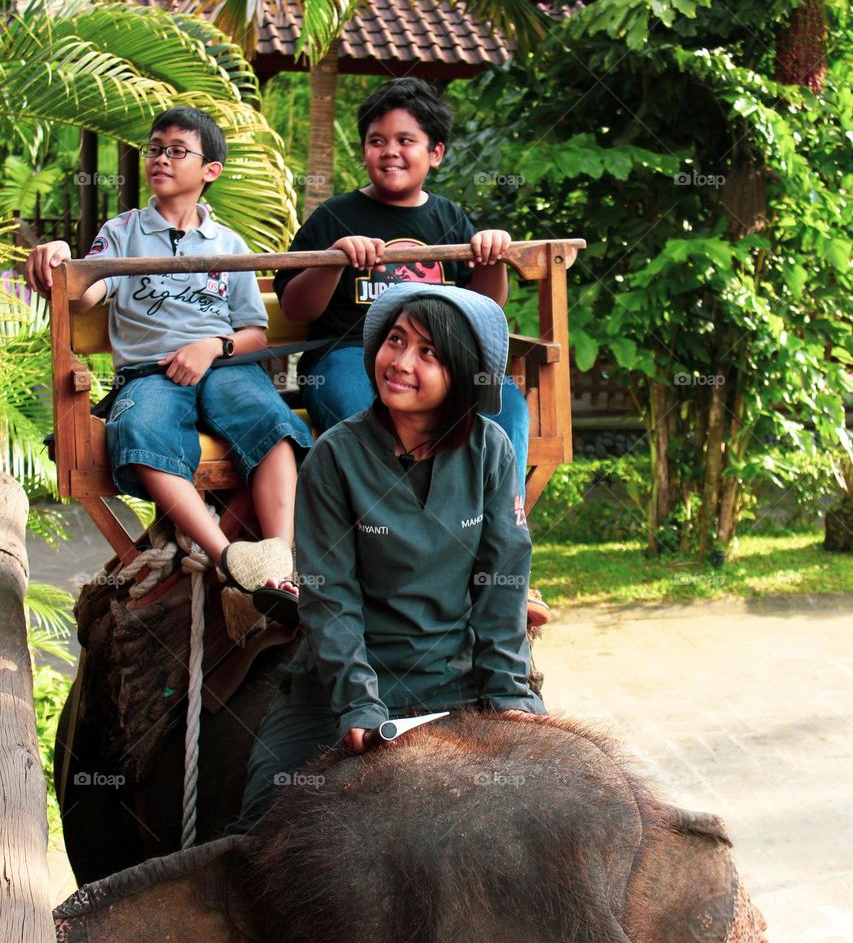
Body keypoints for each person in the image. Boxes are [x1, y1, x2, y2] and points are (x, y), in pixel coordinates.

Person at [234, 282, 547, 832]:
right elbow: (329, 595)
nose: (400, 362)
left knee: (552, 809)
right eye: (395, 341)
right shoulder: (335, 456)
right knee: (263, 816)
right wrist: (358, 703)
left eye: (428, 352)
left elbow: (502, 583)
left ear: (463, 373)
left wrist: (507, 694)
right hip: (341, 688)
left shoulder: (491, 450)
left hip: (458, 679)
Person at [276, 76, 549, 626]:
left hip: (440, 362)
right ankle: (402, 564)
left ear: (436, 153)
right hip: (351, 358)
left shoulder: (447, 218)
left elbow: (483, 308)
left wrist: (491, 258)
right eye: (377, 140)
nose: (390, 152)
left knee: (507, 405)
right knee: (370, 412)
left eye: (406, 140)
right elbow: (296, 306)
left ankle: (503, 566)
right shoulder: (334, 217)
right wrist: (334, 260)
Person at [25, 106, 312, 620]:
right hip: (150, 373)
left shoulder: (229, 245)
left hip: (224, 367)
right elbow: (85, 295)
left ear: (210, 170)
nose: (161, 158)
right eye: (155, 149)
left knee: (272, 423)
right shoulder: (122, 232)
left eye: (177, 151)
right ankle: (229, 558)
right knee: (140, 429)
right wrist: (60, 258)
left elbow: (254, 333)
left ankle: (279, 561)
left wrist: (212, 347)